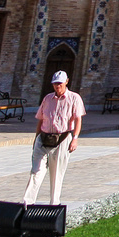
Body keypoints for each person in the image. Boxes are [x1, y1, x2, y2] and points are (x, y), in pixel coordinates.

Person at [22, 71, 84, 206]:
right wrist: (36, 137)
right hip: (43, 137)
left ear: (66, 81)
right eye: (55, 84)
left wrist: (75, 138)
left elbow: (78, 119)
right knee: (36, 170)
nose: (57, 86)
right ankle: (27, 203)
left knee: (56, 174)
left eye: (60, 83)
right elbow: (41, 119)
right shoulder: (47, 98)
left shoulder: (74, 98)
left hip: (62, 137)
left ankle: (54, 204)